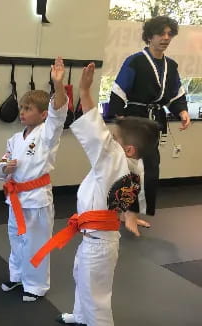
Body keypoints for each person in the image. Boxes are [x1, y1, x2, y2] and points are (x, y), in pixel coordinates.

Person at [32, 63, 159, 326]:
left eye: (116, 139)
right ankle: (80, 316)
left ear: (129, 149)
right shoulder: (132, 166)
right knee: (83, 280)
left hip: (100, 242)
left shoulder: (118, 161)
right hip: (95, 237)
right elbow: (101, 135)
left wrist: (84, 91)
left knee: (96, 296)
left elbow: (96, 132)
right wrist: (132, 216)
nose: (111, 142)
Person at [0, 57, 68, 302]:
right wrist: (5, 168)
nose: (23, 112)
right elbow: (0, 167)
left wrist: (58, 85)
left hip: (36, 199)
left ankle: (35, 285)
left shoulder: (47, 134)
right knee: (15, 239)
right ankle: (16, 276)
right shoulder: (15, 139)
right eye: (22, 108)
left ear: (43, 114)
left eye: (28, 109)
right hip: (15, 198)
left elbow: (58, 115)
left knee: (35, 242)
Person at [108, 16, 191, 227]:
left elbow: (175, 94)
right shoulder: (135, 61)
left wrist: (182, 111)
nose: (165, 38)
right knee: (129, 168)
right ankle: (124, 213)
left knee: (150, 169)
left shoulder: (170, 65)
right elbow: (119, 91)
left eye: (169, 34)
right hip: (134, 120)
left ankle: (133, 213)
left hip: (153, 123)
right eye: (160, 34)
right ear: (149, 36)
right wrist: (120, 118)